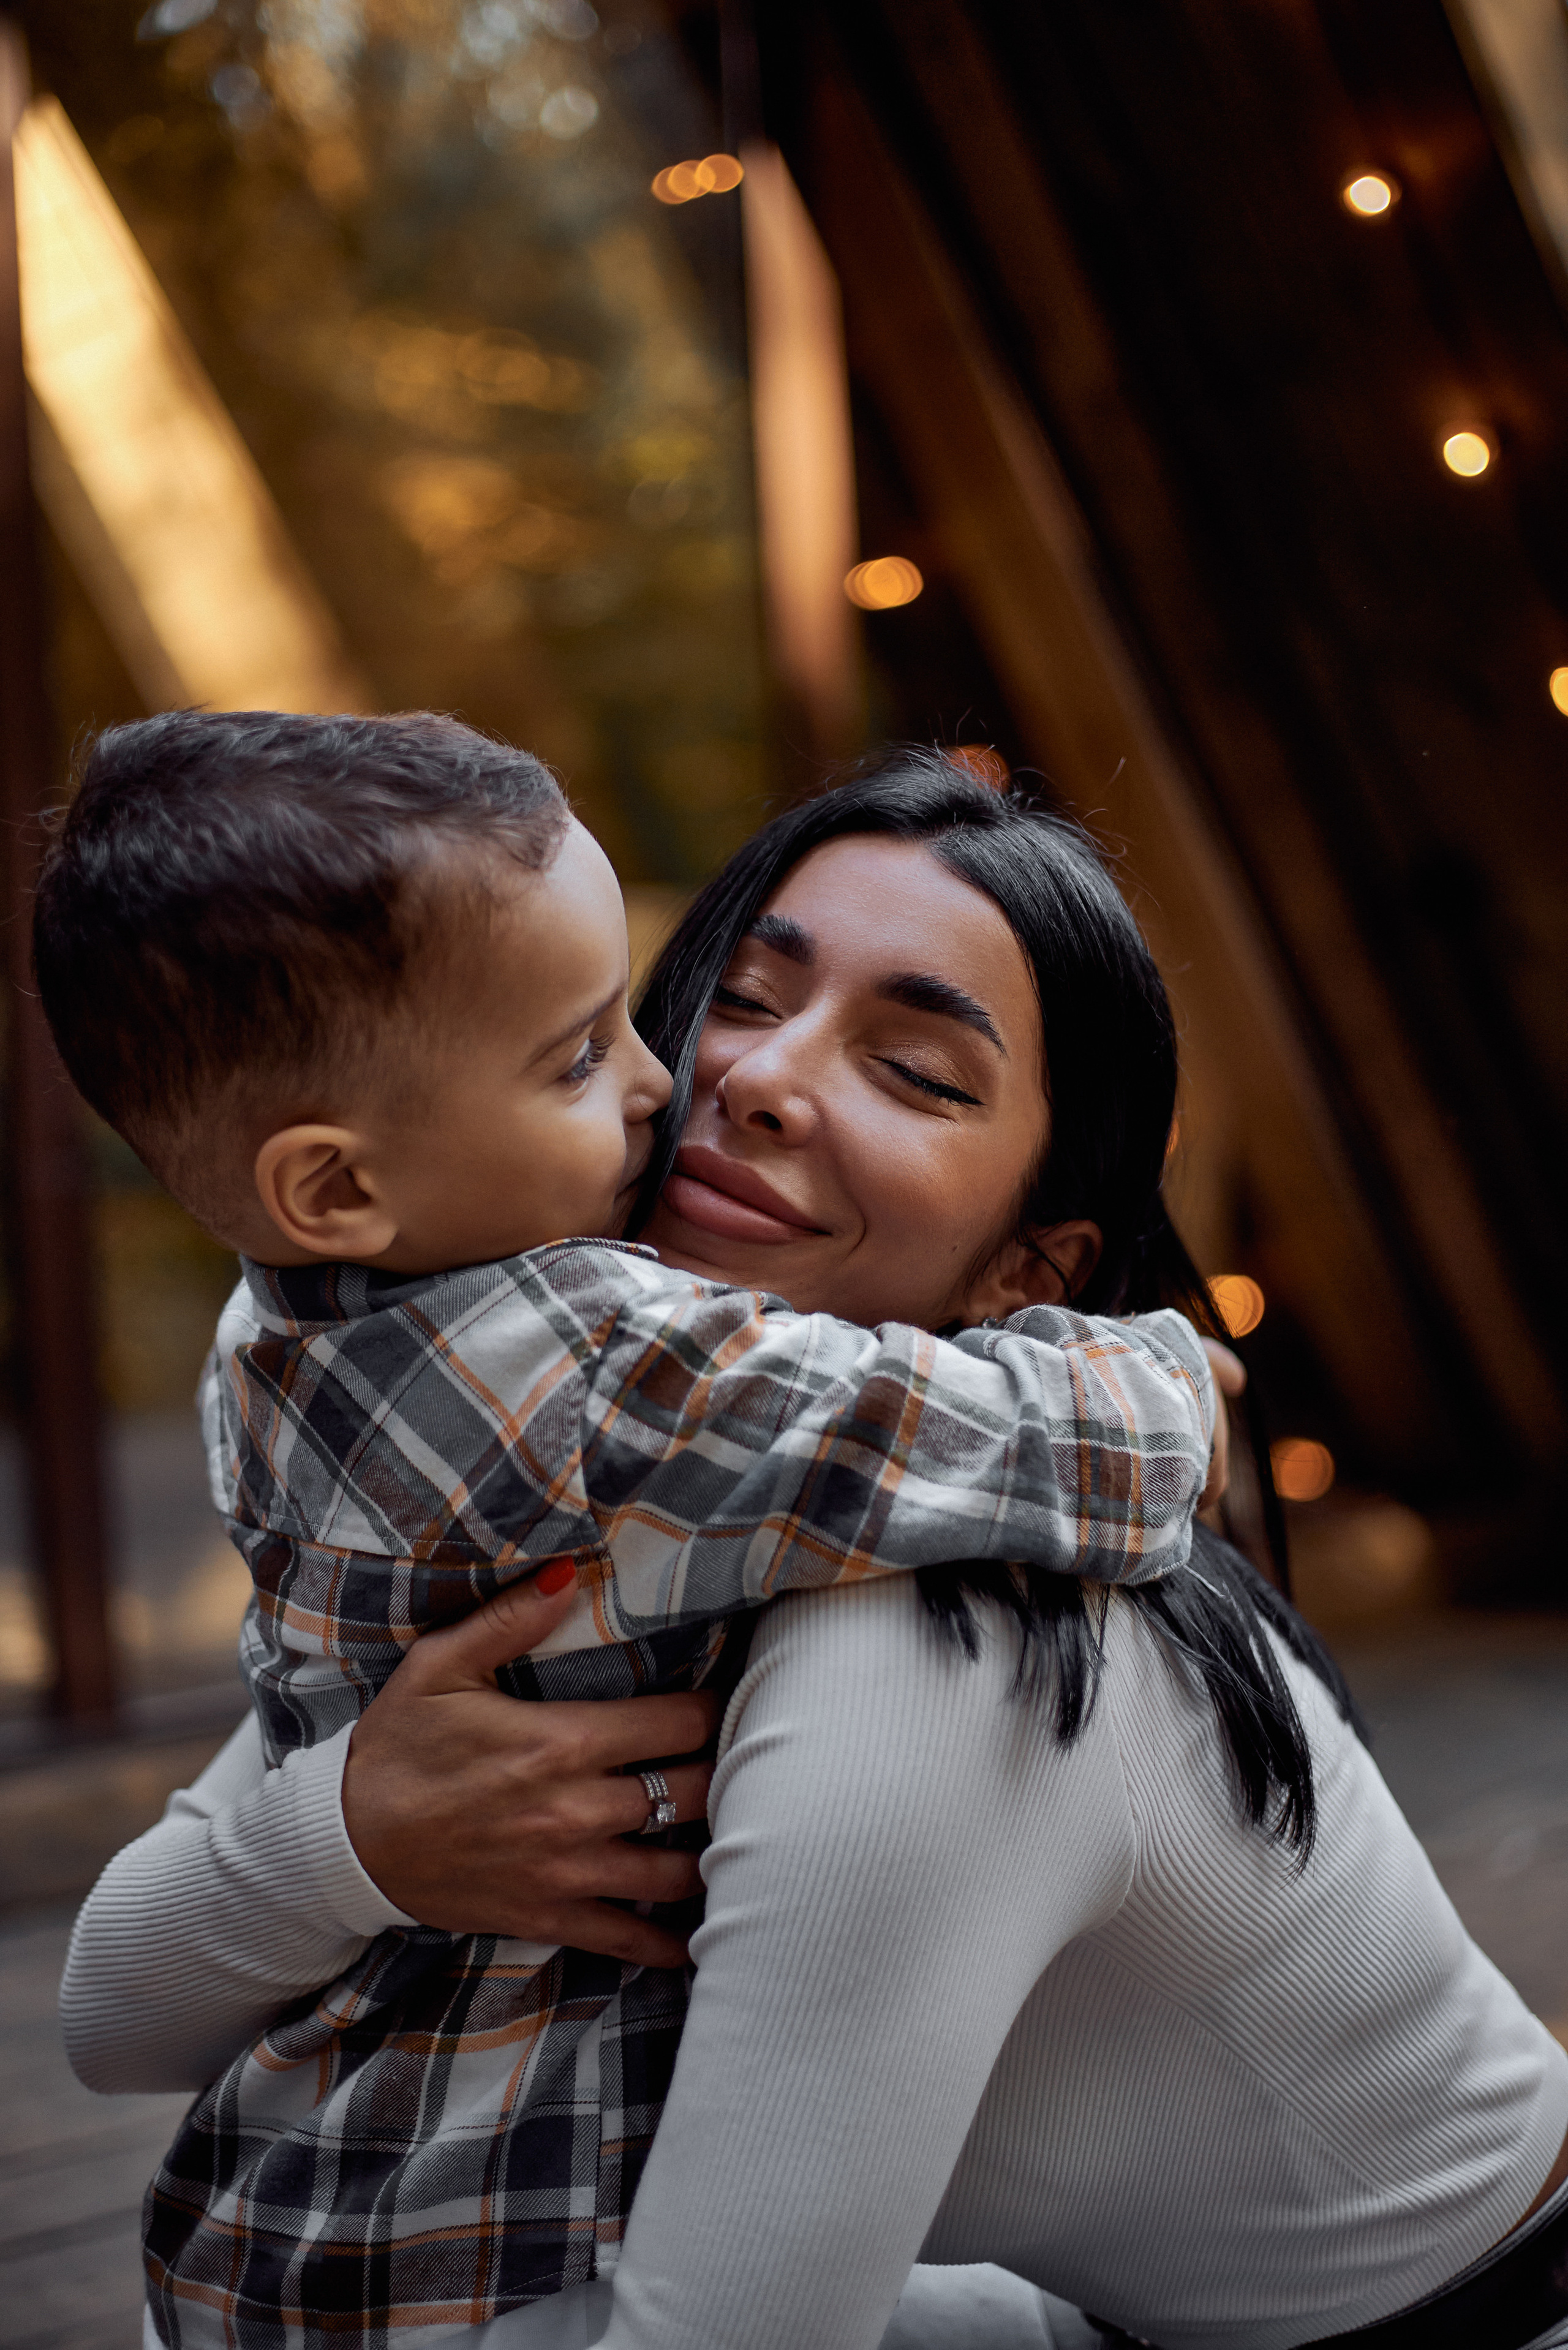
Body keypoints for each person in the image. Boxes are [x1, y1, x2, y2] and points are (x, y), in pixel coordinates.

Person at [63, 746, 1568, 2349]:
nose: (759, 1080)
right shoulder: (569, 1500)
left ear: (1027, 1272)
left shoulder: (928, 1656)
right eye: (744, 998)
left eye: (919, 1072)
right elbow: (115, 2009)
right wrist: (355, 1829)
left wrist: (1158, 1384)